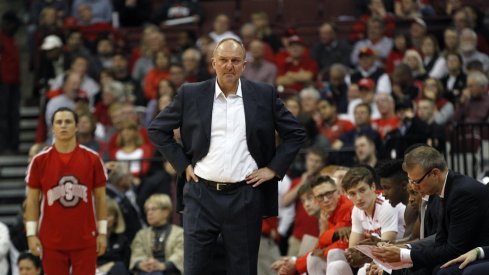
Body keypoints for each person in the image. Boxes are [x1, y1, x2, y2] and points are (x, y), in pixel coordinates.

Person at [147, 38, 305, 275]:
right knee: (194, 269)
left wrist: (273, 168)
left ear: (244, 65)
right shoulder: (191, 93)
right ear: (213, 63)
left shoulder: (264, 94)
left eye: (235, 61)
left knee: (243, 270)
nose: (229, 66)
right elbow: (157, 129)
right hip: (200, 194)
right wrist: (182, 165)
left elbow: (295, 133)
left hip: (245, 195)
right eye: (223, 60)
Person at [372, 146, 489, 274]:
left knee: (440, 271)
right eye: (411, 181)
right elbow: (440, 240)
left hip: (480, 252)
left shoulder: (462, 193)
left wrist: (404, 255)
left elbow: (454, 249)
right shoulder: (446, 188)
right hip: (463, 250)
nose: (414, 187)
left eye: (417, 182)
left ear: (435, 173)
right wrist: (402, 253)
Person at [25, 107, 108, 275]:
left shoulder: (92, 158)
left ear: (77, 127)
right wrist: (31, 234)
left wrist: (103, 233)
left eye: (68, 122)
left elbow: (101, 198)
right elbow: (32, 201)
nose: (63, 126)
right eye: (59, 122)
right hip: (51, 240)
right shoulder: (39, 161)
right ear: (52, 128)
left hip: (85, 239)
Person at [130, 194, 183, 275]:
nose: (149, 213)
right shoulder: (141, 234)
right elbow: (137, 254)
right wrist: (142, 264)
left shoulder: (179, 233)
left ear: (165, 212)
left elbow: (180, 255)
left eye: (153, 209)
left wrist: (163, 265)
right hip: (146, 272)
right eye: (147, 210)